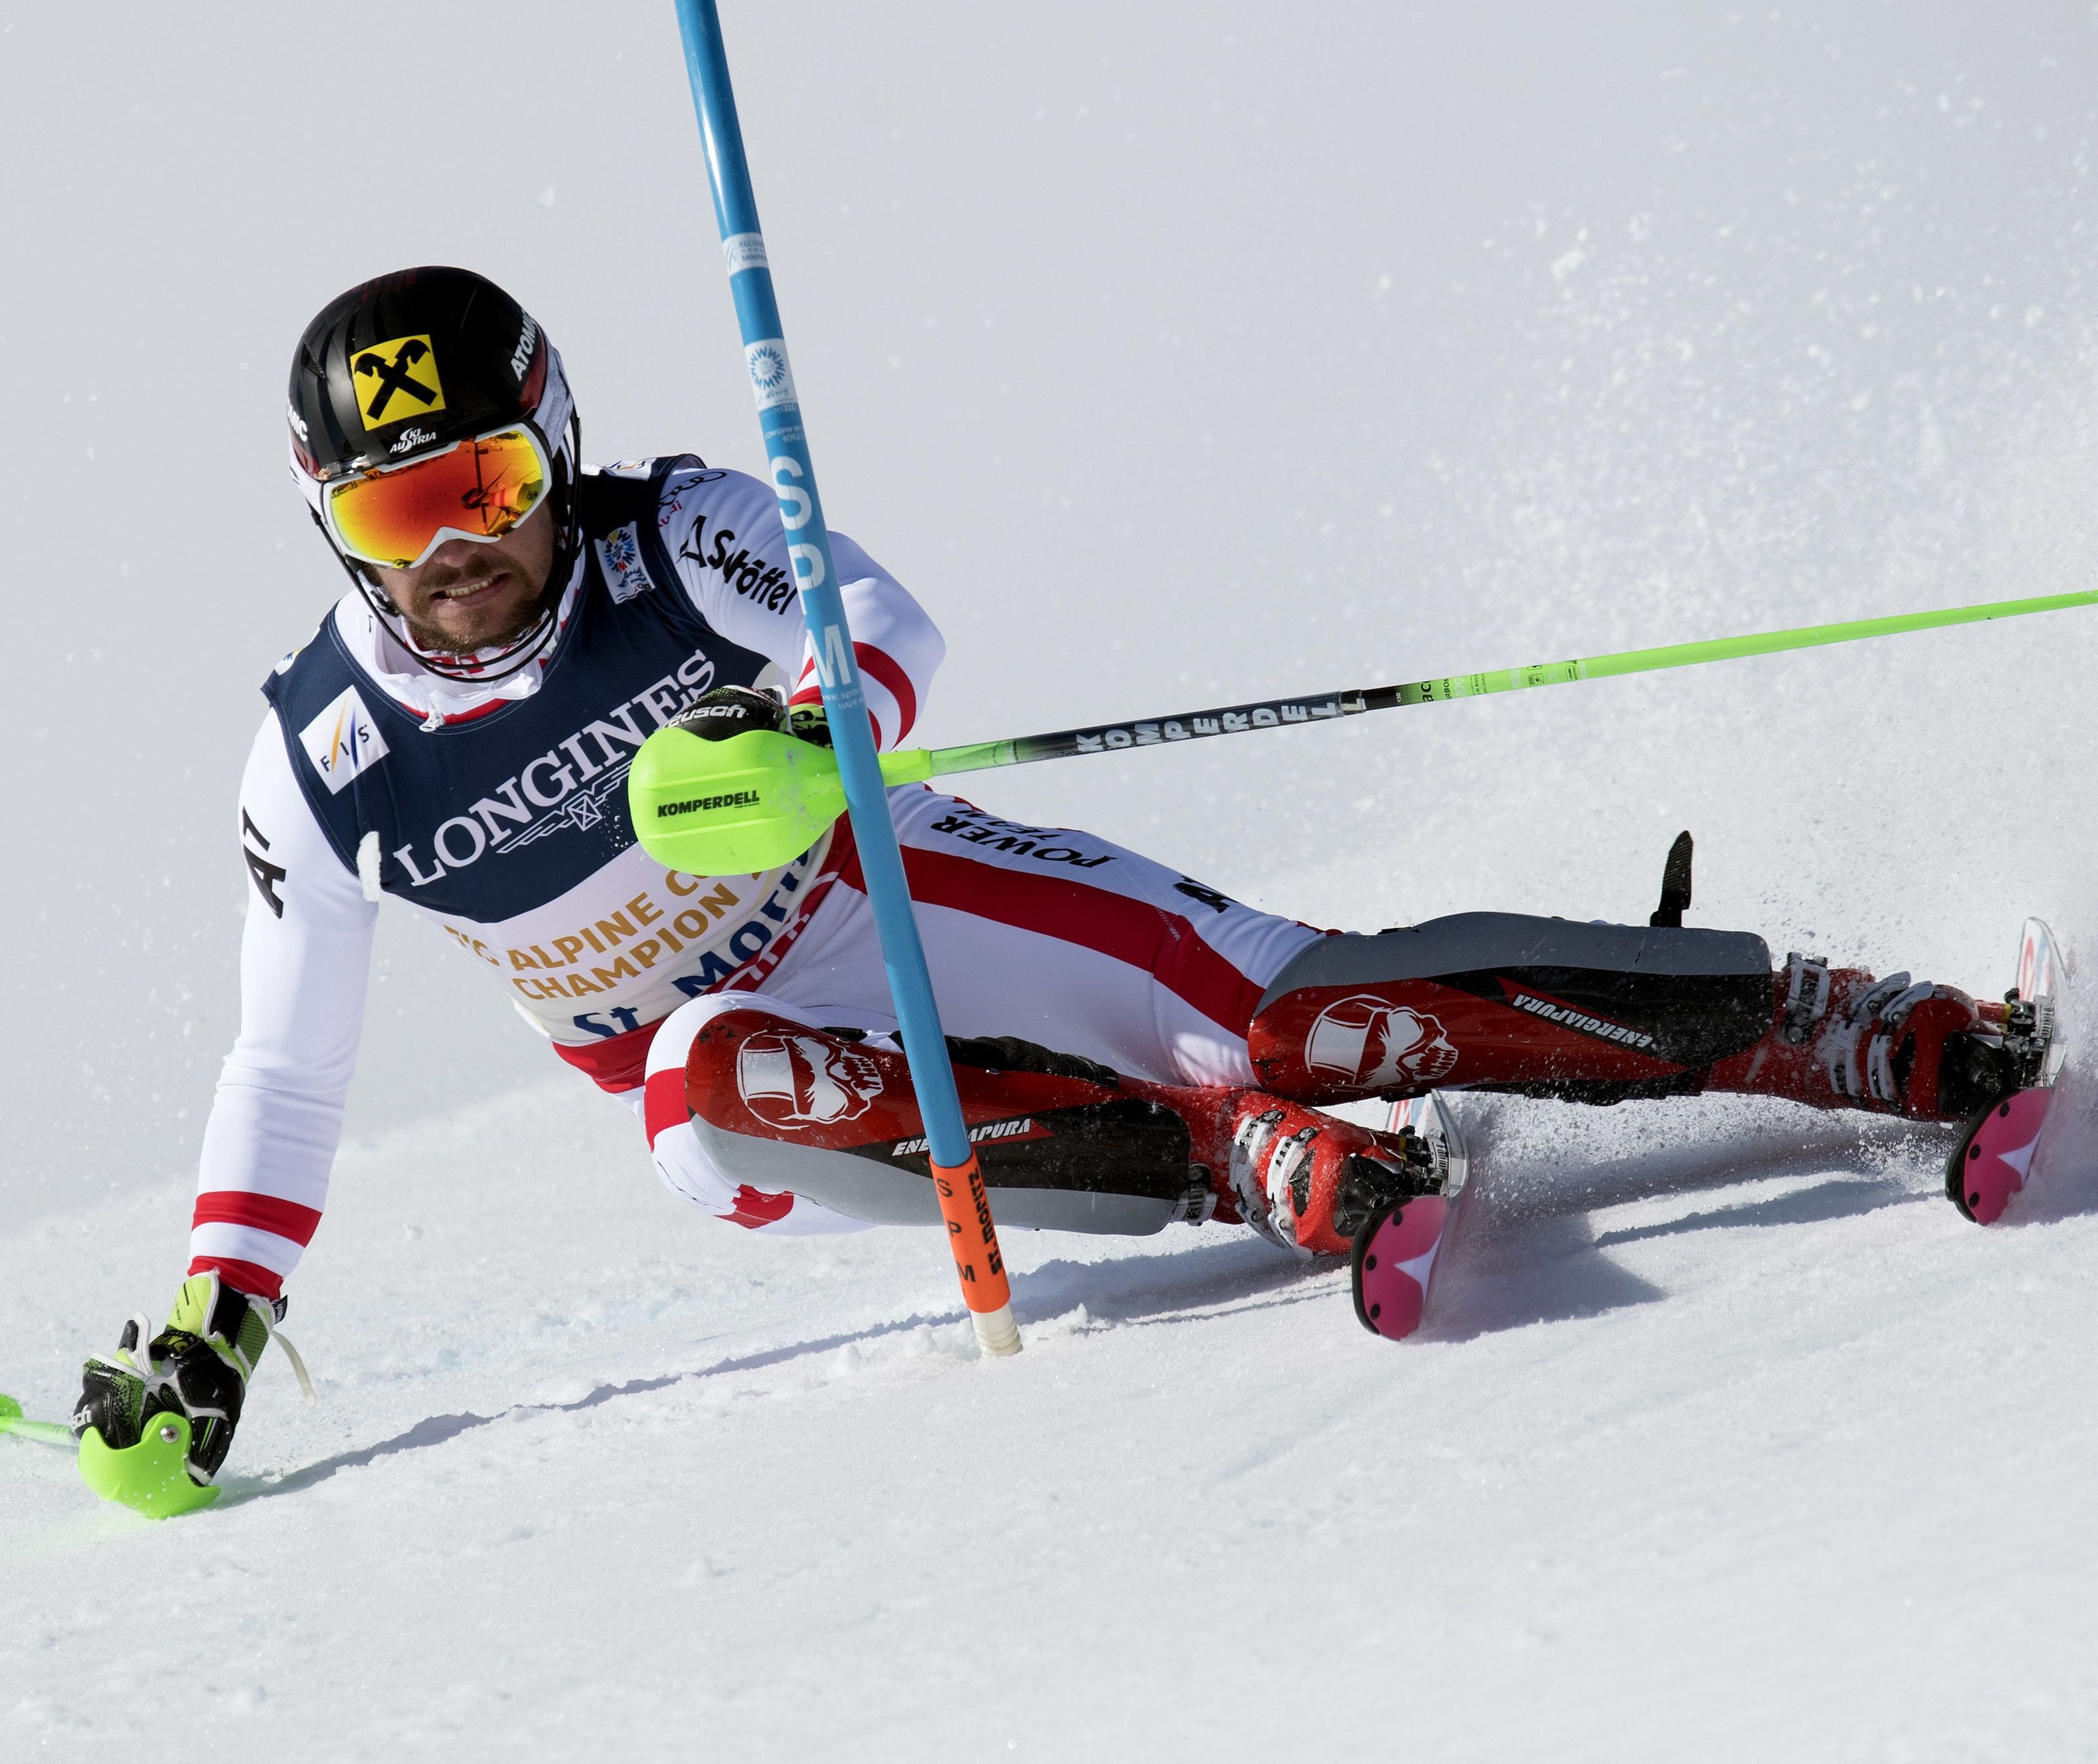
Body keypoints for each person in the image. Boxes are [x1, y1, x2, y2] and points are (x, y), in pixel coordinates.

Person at [73, 267, 2041, 1485]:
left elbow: (883, 612)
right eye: (402, 511)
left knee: (1310, 1011)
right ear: (333, 526)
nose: (458, 553)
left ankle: (1851, 1027)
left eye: (489, 487)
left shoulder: (666, 533)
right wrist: (214, 1327)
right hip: (765, 1045)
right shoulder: (322, 763)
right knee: (692, 1110)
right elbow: (290, 1072)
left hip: (895, 888)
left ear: (554, 450)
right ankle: (1235, 1161)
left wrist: (808, 733)